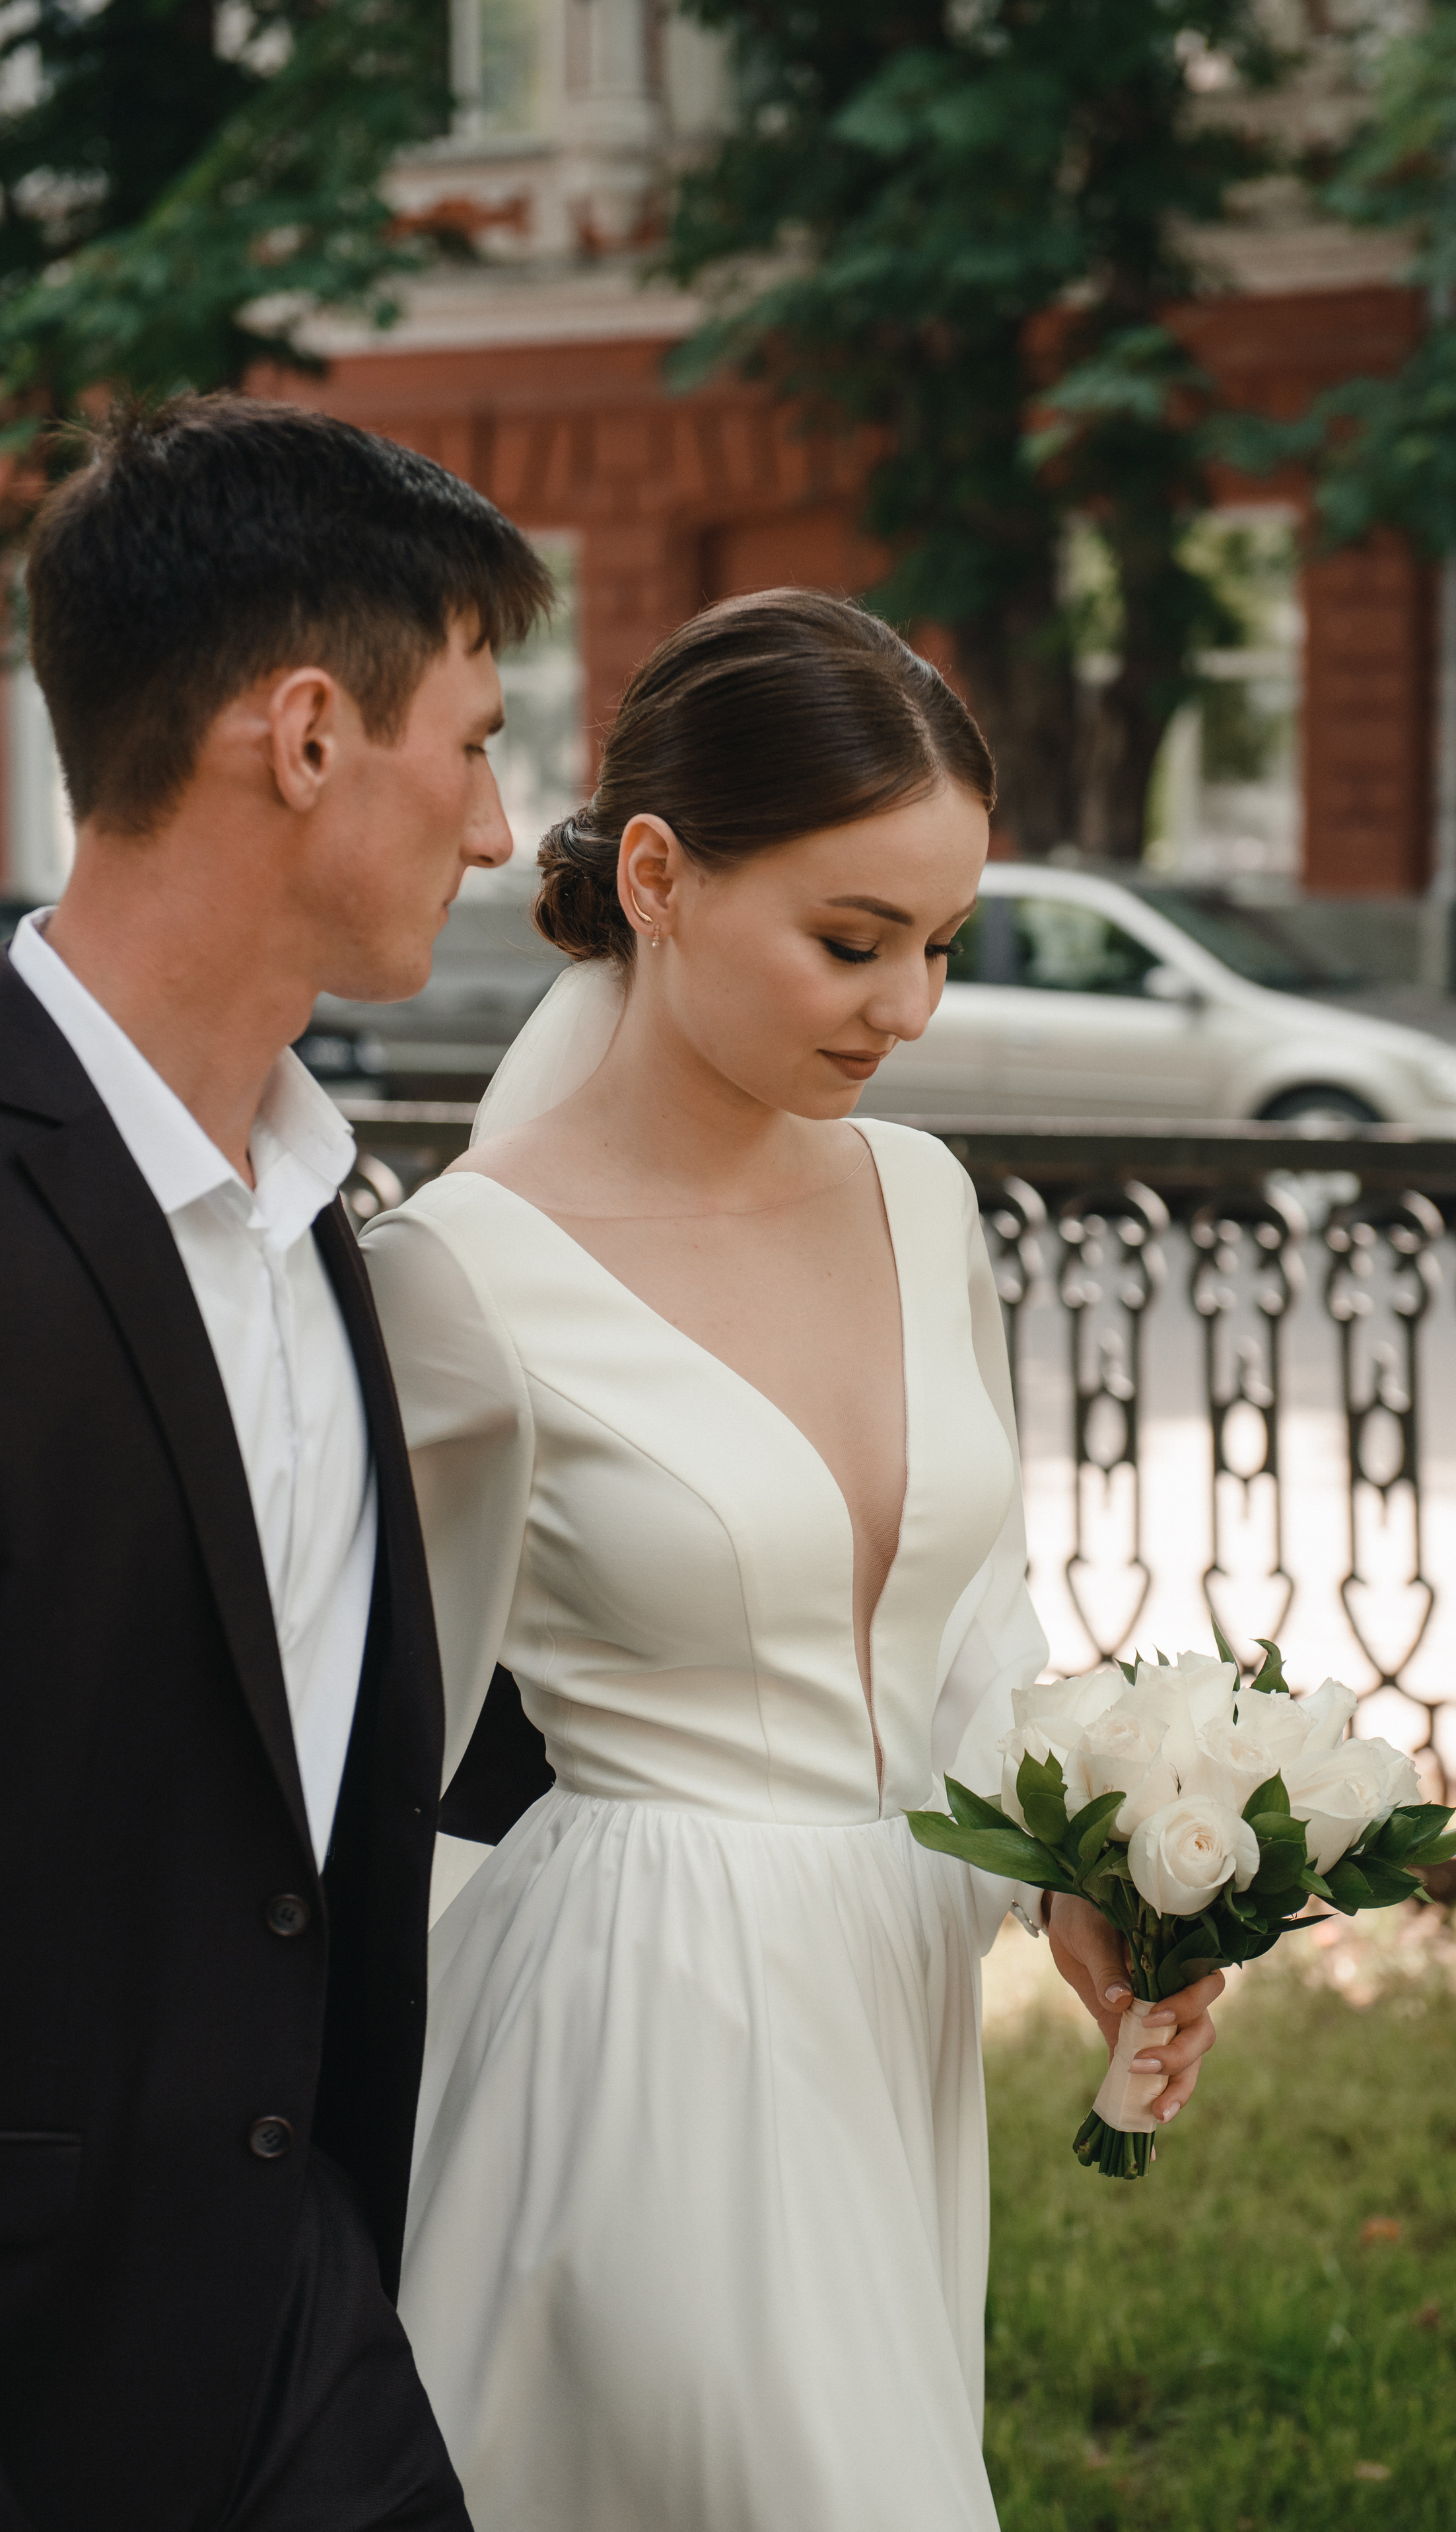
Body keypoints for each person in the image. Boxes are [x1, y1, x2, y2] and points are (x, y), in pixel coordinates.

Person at [363, 590, 1224, 2531]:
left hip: (890, 2018)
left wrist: (1082, 1885)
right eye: (852, 941)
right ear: (656, 876)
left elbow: (969, 1625)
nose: (907, 1007)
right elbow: (363, 1750)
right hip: (641, 2026)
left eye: (940, 945)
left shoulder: (923, 1198)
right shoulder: (461, 1275)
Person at [0, 395, 550, 2532]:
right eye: (479, 741)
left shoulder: (332, 1223)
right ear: (307, 735)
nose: (501, 830)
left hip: (308, 2316)